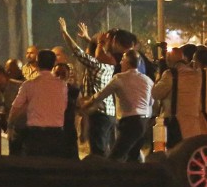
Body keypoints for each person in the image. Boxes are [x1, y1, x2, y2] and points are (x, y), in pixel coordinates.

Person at [81, 49, 153, 162]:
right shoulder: (147, 80)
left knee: (115, 158)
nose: (120, 63)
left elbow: (100, 95)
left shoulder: (119, 78)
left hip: (130, 122)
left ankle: (112, 178)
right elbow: (151, 102)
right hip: (144, 122)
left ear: (128, 62)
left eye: (123, 60)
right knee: (133, 157)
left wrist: (87, 104)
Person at [59, 18, 116, 157]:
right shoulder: (109, 65)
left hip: (99, 114)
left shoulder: (96, 66)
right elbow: (96, 53)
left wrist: (65, 32)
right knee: (106, 149)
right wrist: (89, 39)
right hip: (109, 114)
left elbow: (78, 52)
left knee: (98, 152)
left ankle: (99, 176)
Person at [8, 50, 69, 158]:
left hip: (35, 134)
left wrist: (10, 126)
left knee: (34, 167)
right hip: (56, 134)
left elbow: (15, 108)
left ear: (37, 63)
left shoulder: (29, 85)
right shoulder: (63, 86)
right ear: (54, 64)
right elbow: (63, 107)